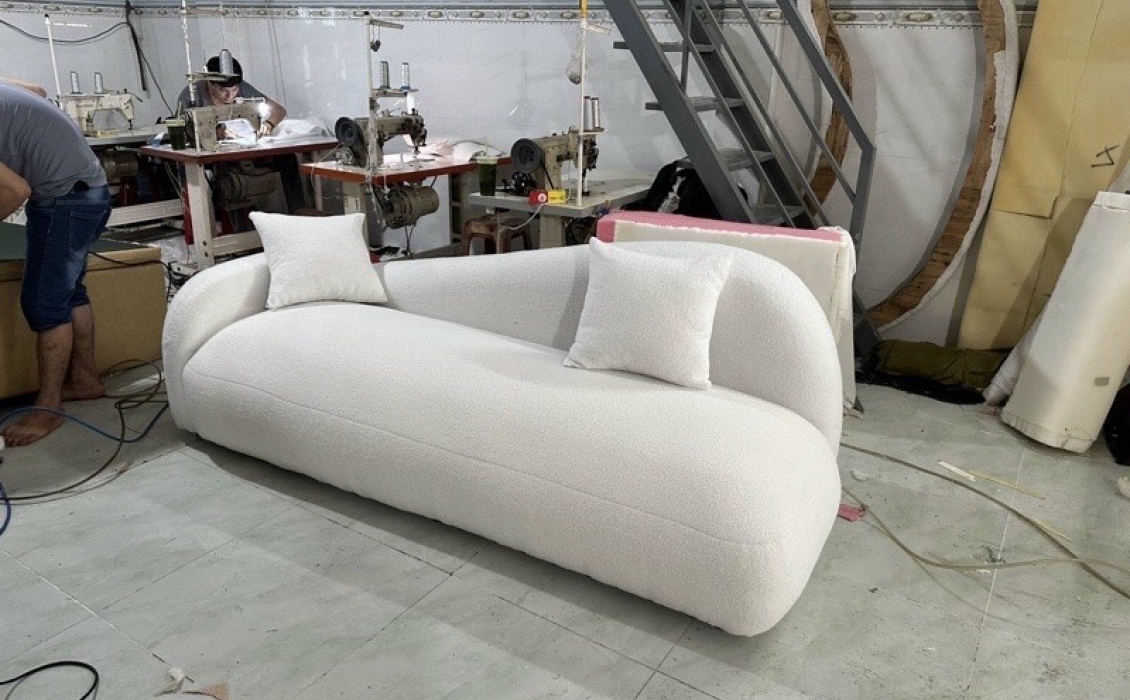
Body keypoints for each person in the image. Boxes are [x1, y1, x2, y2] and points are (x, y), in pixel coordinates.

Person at [0, 81, 111, 446]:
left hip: (65, 198)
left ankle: (48, 408)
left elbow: (17, 190)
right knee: (69, 293)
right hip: (89, 189)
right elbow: (38, 90)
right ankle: (85, 379)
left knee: (44, 303)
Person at [176, 55, 286, 137]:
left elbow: (279, 110)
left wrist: (269, 124)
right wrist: (215, 133)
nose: (230, 95)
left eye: (234, 90)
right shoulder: (190, 96)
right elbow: (181, 131)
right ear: (209, 83)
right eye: (223, 90)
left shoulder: (243, 88)